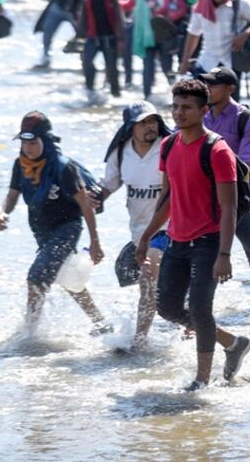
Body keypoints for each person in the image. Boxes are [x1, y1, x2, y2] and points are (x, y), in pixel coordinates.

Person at [135, 79, 250, 390]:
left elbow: (228, 207)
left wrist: (225, 255)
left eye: (186, 107)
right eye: (174, 106)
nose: (178, 113)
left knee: (201, 309)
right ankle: (232, 342)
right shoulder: (169, 145)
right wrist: (147, 236)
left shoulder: (218, 151)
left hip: (209, 242)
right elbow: (168, 199)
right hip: (177, 239)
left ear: (203, 110)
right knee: (168, 308)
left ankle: (201, 380)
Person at [0, 112, 110, 334]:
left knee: (36, 279)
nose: (28, 148)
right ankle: (101, 322)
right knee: (68, 276)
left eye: (33, 142)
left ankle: (29, 335)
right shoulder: (20, 165)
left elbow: (86, 205)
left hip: (67, 228)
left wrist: (95, 241)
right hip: (42, 231)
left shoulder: (63, 167)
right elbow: (12, 195)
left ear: (45, 140)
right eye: (24, 142)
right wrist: (3, 212)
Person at [198, 68, 250, 310]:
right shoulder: (201, 115)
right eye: (206, 85)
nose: (207, 90)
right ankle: (197, 301)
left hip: (244, 191)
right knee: (201, 245)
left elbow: (245, 162)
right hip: (207, 192)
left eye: (213, 85)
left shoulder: (246, 119)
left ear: (230, 88)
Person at [100, 101, 172, 350]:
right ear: (130, 127)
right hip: (139, 232)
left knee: (148, 277)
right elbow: (108, 185)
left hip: (170, 226)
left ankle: (139, 342)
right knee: (159, 285)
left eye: (153, 120)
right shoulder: (121, 153)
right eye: (143, 122)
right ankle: (186, 323)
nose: (150, 126)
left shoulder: (168, 147)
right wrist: (93, 198)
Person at [78, 0, 125, 102]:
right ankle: (90, 90)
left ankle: (116, 94)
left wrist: (121, 38)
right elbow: (82, 16)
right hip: (92, 36)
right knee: (87, 62)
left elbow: (119, 17)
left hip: (110, 37)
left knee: (112, 67)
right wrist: (79, 34)